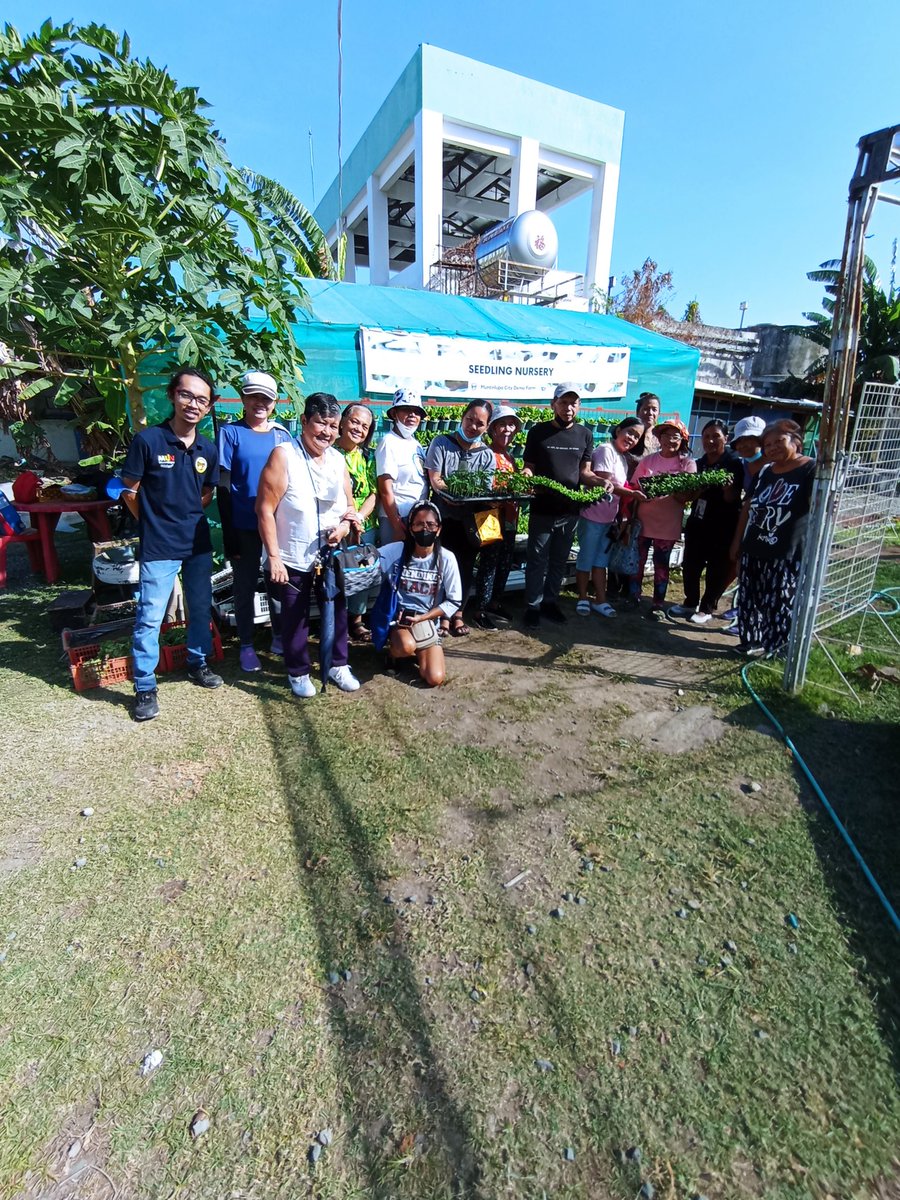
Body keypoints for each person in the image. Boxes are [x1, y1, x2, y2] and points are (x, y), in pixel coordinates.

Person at [121, 368, 222, 722]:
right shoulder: (148, 441)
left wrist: (188, 511)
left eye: (201, 400)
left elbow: (206, 493)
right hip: (159, 546)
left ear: (208, 408)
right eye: (187, 395)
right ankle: (145, 686)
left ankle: (197, 663)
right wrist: (150, 520)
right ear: (172, 396)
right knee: (149, 617)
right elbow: (129, 490)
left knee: (199, 607)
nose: (193, 404)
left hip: (196, 542)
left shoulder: (207, 448)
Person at [256, 393, 361, 698]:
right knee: (295, 615)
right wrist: (274, 556)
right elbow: (264, 509)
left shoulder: (338, 459)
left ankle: (337, 663)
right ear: (304, 421)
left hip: (331, 555)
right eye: (320, 423)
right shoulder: (283, 455)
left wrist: (344, 526)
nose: (327, 432)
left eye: (332, 425)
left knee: (337, 610)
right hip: (292, 554)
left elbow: (349, 504)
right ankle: (298, 671)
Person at [216, 371, 293, 672]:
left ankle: (279, 636)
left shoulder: (282, 435)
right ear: (244, 399)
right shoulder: (231, 433)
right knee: (245, 584)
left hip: (277, 526)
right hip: (244, 525)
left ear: (274, 403)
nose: (260, 403)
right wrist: (229, 531)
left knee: (278, 581)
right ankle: (246, 644)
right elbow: (224, 483)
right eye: (254, 396)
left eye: (266, 398)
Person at [730, 419, 815, 657]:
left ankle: (777, 647)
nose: (773, 447)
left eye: (779, 441)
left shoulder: (810, 469)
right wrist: (738, 542)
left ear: (796, 442)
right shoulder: (766, 471)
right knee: (750, 597)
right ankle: (751, 641)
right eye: (768, 444)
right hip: (754, 545)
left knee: (779, 600)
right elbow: (747, 508)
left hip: (786, 549)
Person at [522, 384, 595, 628]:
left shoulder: (584, 434)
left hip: (569, 510)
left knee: (558, 560)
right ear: (553, 404)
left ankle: (550, 602)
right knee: (536, 559)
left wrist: (601, 481)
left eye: (573, 403)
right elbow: (529, 465)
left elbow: (585, 472)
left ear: (579, 406)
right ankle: (533, 605)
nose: (568, 408)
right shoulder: (537, 432)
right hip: (542, 507)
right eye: (563, 402)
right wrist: (526, 475)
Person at [425, 399, 494, 636]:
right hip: (443, 519)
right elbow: (436, 479)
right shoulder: (442, 443)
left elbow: (485, 488)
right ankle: (441, 616)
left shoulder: (486, 455)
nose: (473, 427)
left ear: (487, 427)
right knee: (441, 566)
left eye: (480, 424)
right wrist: (449, 494)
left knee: (464, 567)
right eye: (470, 420)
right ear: (462, 417)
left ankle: (457, 614)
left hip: (470, 522)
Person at [379, 501, 463, 687]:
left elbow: (454, 600)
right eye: (418, 524)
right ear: (410, 528)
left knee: (434, 678)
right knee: (405, 646)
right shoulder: (397, 551)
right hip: (400, 620)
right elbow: (370, 561)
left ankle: (420, 650)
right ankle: (393, 653)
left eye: (430, 525)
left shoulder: (446, 558)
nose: (425, 529)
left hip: (426, 621)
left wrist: (424, 617)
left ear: (439, 529)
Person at [668, 419, 743, 624]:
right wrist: (698, 487)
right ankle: (690, 602)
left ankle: (707, 607)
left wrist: (727, 487)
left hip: (723, 525)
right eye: (707, 436)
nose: (710, 440)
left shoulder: (734, 463)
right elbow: (689, 496)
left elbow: (732, 498)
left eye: (716, 436)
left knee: (716, 568)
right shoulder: (698, 464)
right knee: (691, 564)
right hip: (698, 523)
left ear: (726, 438)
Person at [575, 417, 646, 618]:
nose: (632, 438)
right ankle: (582, 597)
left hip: (608, 518)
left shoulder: (622, 457)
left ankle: (600, 599)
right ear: (618, 430)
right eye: (630, 432)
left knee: (601, 561)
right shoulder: (606, 450)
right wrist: (632, 494)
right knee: (586, 558)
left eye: (637, 436)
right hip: (592, 515)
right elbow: (604, 484)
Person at [630, 417, 697, 619]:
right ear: (659, 438)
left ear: (683, 440)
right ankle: (633, 597)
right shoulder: (648, 461)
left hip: (667, 526)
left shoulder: (687, 464)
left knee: (661, 565)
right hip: (643, 522)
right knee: (637, 562)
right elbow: (634, 486)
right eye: (665, 435)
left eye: (675, 436)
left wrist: (674, 489)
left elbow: (687, 495)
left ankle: (657, 604)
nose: (669, 440)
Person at [472, 405, 522, 628]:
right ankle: (480, 609)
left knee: (504, 561)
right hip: (489, 516)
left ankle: (495, 602)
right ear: (492, 429)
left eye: (511, 425)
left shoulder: (510, 457)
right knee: (489, 562)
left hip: (510, 517)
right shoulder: (485, 452)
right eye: (502, 424)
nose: (507, 429)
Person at [336, 403, 378, 643]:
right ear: (342, 421)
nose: (359, 429)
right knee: (335, 576)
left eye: (365, 426)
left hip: (364, 526)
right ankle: (335, 621)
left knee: (360, 574)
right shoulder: (328, 451)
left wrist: (359, 517)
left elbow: (374, 493)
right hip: (334, 526)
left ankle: (356, 622)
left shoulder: (367, 456)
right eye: (354, 422)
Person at [375, 388, 428, 543]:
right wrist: (397, 525)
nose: (412, 415)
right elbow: (385, 489)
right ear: (394, 414)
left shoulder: (416, 444)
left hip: (416, 516)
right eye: (406, 410)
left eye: (416, 411)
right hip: (397, 518)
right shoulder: (388, 442)